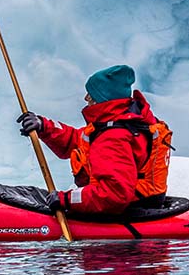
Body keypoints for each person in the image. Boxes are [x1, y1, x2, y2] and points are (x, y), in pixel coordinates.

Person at [16, 64, 171, 216]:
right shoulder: (123, 122)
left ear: (104, 98)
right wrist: (44, 126)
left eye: (91, 94)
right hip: (141, 199)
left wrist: (66, 200)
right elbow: (76, 140)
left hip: (124, 207)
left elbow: (114, 195)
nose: (86, 98)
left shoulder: (113, 137)